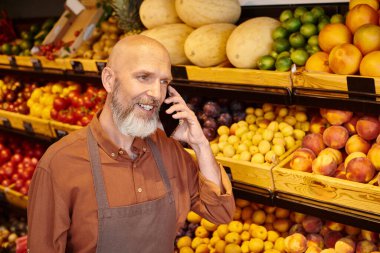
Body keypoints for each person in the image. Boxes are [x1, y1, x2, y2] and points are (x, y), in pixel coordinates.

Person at [27, 35, 235, 253]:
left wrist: (199, 144)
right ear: (109, 80)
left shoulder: (169, 150)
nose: (156, 94)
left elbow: (219, 213)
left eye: (164, 82)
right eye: (144, 77)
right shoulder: (60, 163)